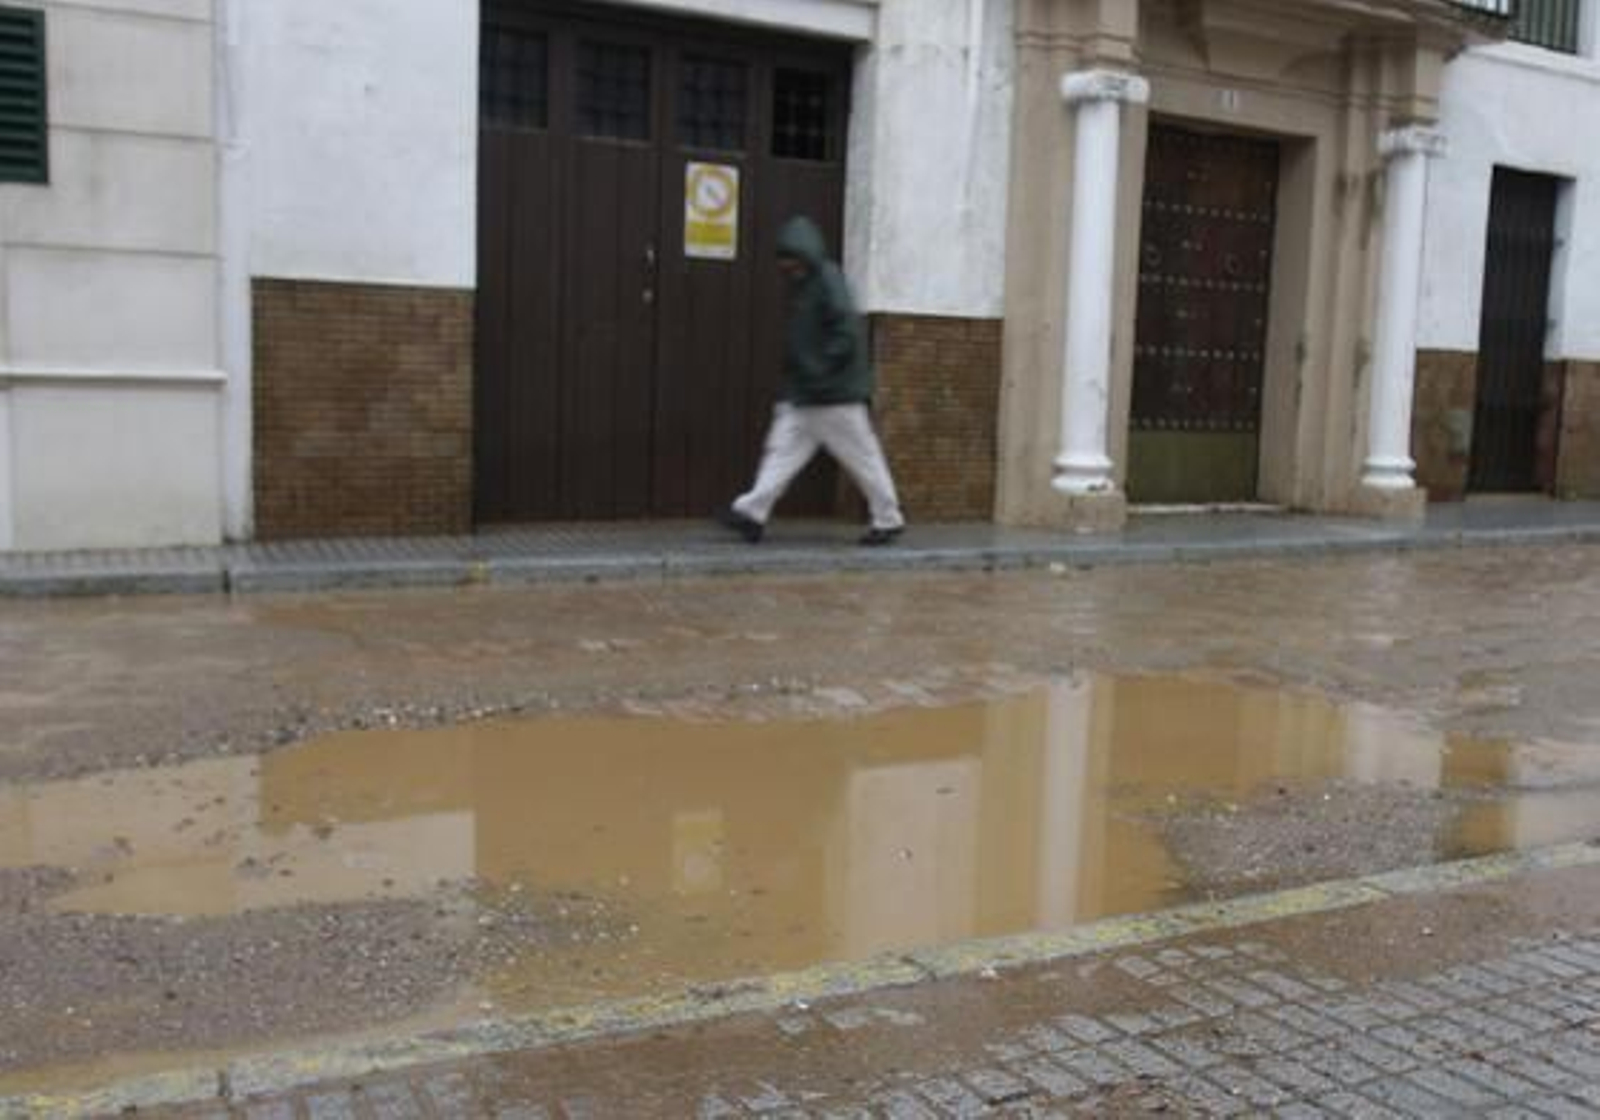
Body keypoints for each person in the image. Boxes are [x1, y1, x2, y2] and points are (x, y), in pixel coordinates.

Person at [719, 216, 906, 547]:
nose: (785, 265)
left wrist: (820, 369)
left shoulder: (826, 279)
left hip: (834, 394)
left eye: (789, 258)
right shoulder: (804, 283)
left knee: (860, 457)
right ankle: (752, 512)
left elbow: (846, 332)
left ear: (802, 254)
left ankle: (888, 518)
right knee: (782, 452)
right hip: (807, 393)